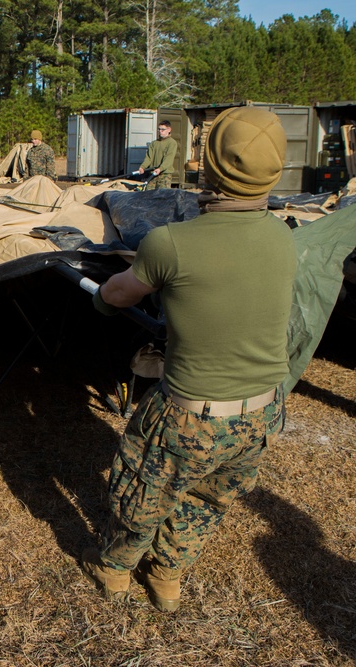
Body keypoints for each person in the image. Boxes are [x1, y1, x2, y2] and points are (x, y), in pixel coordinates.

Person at [81, 107, 296, 612]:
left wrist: (102, 295)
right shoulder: (285, 237)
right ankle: (168, 577)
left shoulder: (169, 243)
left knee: (140, 491)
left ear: (211, 167)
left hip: (190, 413)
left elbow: (118, 294)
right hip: (262, 413)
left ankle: (114, 571)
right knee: (208, 499)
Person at [137, 120, 177, 189]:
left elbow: (168, 159)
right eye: (159, 129)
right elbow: (149, 158)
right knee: (148, 194)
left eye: (163, 129)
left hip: (164, 175)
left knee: (162, 196)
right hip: (153, 174)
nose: (160, 131)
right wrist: (143, 167)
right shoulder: (154, 143)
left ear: (169, 130)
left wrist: (160, 168)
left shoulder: (172, 143)